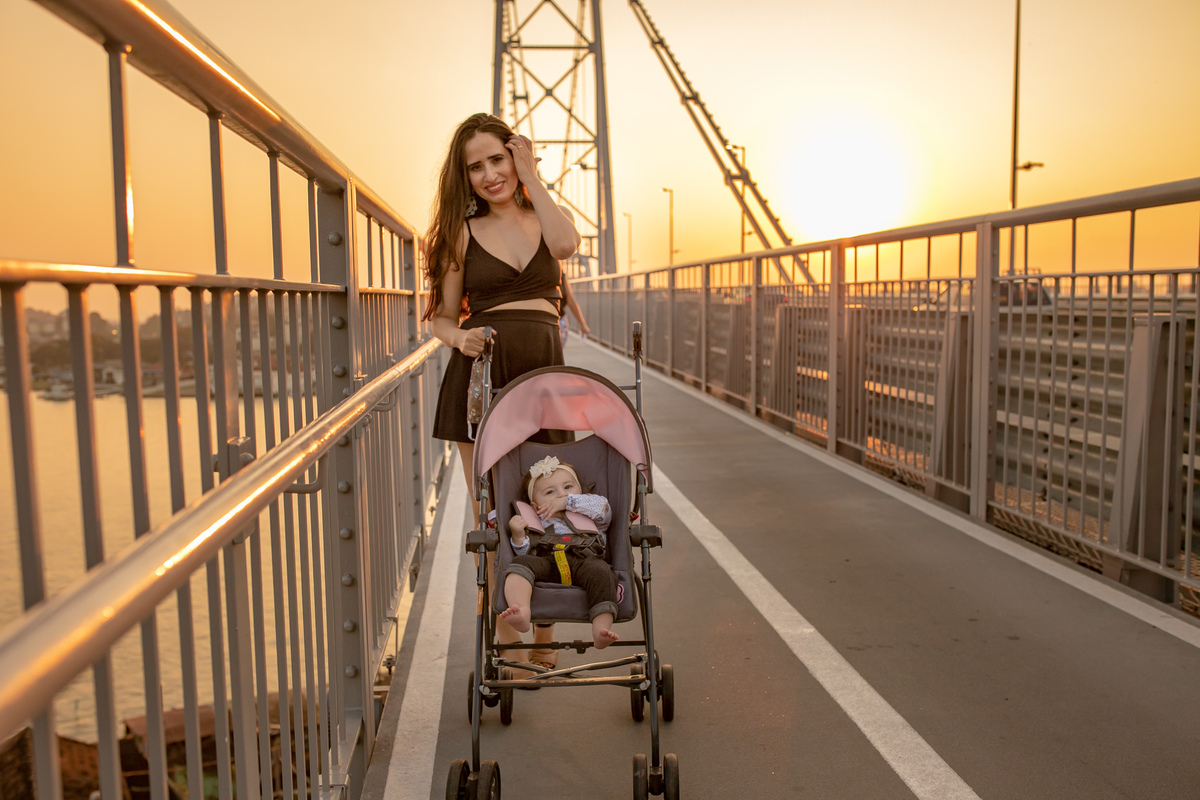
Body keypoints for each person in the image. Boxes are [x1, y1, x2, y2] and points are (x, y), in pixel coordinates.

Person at [424, 112, 581, 672]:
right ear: (463, 177)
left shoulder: (542, 215)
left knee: (546, 506)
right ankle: (501, 635)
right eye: (476, 167)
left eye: (498, 159)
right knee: (491, 514)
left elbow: (566, 245)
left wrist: (532, 176)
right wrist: (459, 335)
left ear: (515, 156)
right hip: (481, 377)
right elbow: (440, 319)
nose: (490, 175)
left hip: (542, 373)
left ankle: (544, 633)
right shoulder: (458, 236)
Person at [499, 456, 619, 650]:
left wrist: (569, 502)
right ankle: (521, 611)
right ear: (535, 505)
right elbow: (527, 549)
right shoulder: (537, 520)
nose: (561, 494)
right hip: (548, 562)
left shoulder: (589, 510)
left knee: (602, 573)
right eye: (550, 492)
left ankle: (601, 629)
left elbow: (603, 508)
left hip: (585, 560)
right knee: (521, 563)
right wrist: (518, 535)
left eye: (568, 487)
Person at [557, 265, 590, 347]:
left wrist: (582, 324)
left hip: (560, 322)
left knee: (556, 356)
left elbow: (570, 300)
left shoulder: (561, 274)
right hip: (541, 324)